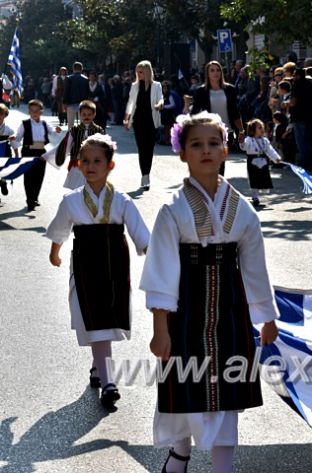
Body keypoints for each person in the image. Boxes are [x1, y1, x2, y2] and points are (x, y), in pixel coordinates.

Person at [140, 112, 279, 473]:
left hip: (230, 312)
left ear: (225, 149)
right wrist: (160, 327)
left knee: (226, 394)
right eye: (196, 144)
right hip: (185, 311)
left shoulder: (242, 210)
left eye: (213, 143)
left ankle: (222, 467)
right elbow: (161, 271)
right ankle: (180, 452)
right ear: (182, 153)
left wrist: (265, 316)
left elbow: (253, 267)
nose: (206, 151)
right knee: (185, 386)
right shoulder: (172, 210)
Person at [46, 134, 150, 410]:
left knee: (107, 318)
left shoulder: (123, 200)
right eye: (85, 161)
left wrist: (150, 250)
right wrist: (55, 251)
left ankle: (98, 368)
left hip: (115, 264)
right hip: (86, 264)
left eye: (97, 161)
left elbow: (139, 231)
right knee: (95, 318)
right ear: (78, 164)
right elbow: (61, 229)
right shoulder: (72, 201)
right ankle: (108, 382)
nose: (90, 166)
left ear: (110, 166)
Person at [187, 61, 244, 176]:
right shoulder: (201, 91)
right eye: (212, 70)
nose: (215, 73)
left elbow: (235, 111)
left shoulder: (230, 89)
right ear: (207, 73)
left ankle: (218, 186)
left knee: (220, 160)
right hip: (208, 131)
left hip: (226, 131)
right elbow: (195, 112)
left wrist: (241, 130)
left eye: (218, 70)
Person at [12, 99, 61, 211]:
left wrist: (57, 130)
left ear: (41, 112)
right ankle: (30, 200)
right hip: (28, 152)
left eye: (37, 111)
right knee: (28, 176)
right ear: (29, 112)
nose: (34, 113)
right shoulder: (24, 123)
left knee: (39, 176)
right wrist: (14, 140)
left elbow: (52, 131)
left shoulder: (44, 123)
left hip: (41, 152)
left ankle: (35, 197)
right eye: (32, 111)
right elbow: (18, 136)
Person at [124, 60, 163, 190]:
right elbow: (130, 102)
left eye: (141, 72)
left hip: (151, 121)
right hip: (138, 120)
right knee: (142, 149)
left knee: (149, 149)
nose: (139, 74)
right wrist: (127, 117)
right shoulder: (134, 86)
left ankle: (147, 173)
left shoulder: (156, 85)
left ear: (147, 72)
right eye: (137, 72)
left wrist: (159, 105)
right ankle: (144, 176)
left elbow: (161, 98)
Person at [57, 100, 105, 190]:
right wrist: (59, 157)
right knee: (77, 189)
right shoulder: (74, 130)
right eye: (84, 114)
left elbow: (104, 147)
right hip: (77, 162)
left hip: (93, 163)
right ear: (80, 114)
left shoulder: (99, 130)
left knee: (91, 187)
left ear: (94, 115)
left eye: (89, 114)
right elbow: (66, 145)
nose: (86, 117)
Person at [239, 118, 283, 206]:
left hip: (263, 161)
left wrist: (276, 158)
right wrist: (242, 141)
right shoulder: (248, 139)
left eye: (262, 127)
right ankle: (255, 197)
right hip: (252, 161)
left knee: (262, 178)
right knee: (254, 179)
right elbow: (244, 147)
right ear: (252, 130)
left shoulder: (265, 140)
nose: (262, 129)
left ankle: (258, 195)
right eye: (259, 127)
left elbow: (270, 150)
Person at [63, 62, 90, 127]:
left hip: (71, 103)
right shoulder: (86, 79)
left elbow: (66, 91)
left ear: (73, 68)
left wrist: (64, 103)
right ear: (81, 69)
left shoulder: (68, 78)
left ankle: (71, 136)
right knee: (83, 124)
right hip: (82, 104)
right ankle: (82, 137)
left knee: (70, 125)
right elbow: (88, 93)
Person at [0, 104, 14, 202]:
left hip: (4, 152)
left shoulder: (8, 129)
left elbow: (15, 140)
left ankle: (3, 183)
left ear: (5, 115)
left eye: (1, 114)